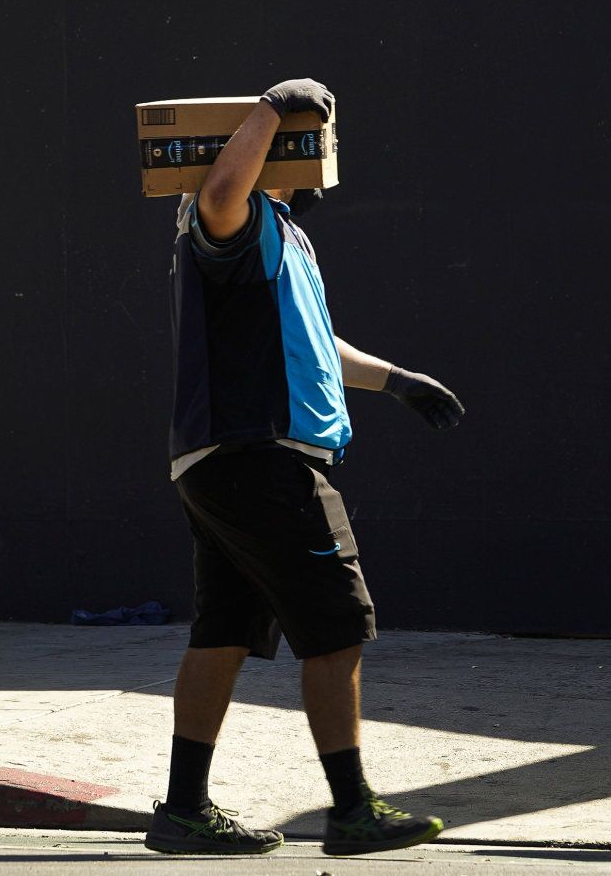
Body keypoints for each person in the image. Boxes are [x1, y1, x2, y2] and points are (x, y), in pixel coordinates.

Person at [144, 77, 464, 857]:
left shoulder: (282, 234)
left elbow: (316, 340)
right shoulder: (233, 216)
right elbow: (221, 189)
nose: (323, 155)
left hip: (222, 461)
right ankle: (352, 808)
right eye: (311, 140)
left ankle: (183, 809)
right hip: (261, 457)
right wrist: (270, 107)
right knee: (336, 624)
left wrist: (398, 381)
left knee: (223, 633)